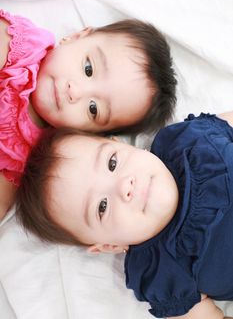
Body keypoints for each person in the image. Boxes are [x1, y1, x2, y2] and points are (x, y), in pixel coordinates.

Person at [16, 111, 233, 319]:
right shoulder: (162, 274)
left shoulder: (189, 140)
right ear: (109, 246)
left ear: (121, 144)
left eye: (112, 163)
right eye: (102, 207)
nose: (123, 187)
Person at [0, 9, 177, 219]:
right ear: (77, 37)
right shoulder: (23, 47)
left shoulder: (28, 156)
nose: (75, 92)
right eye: (88, 68)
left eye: (93, 109)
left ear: (87, 133)